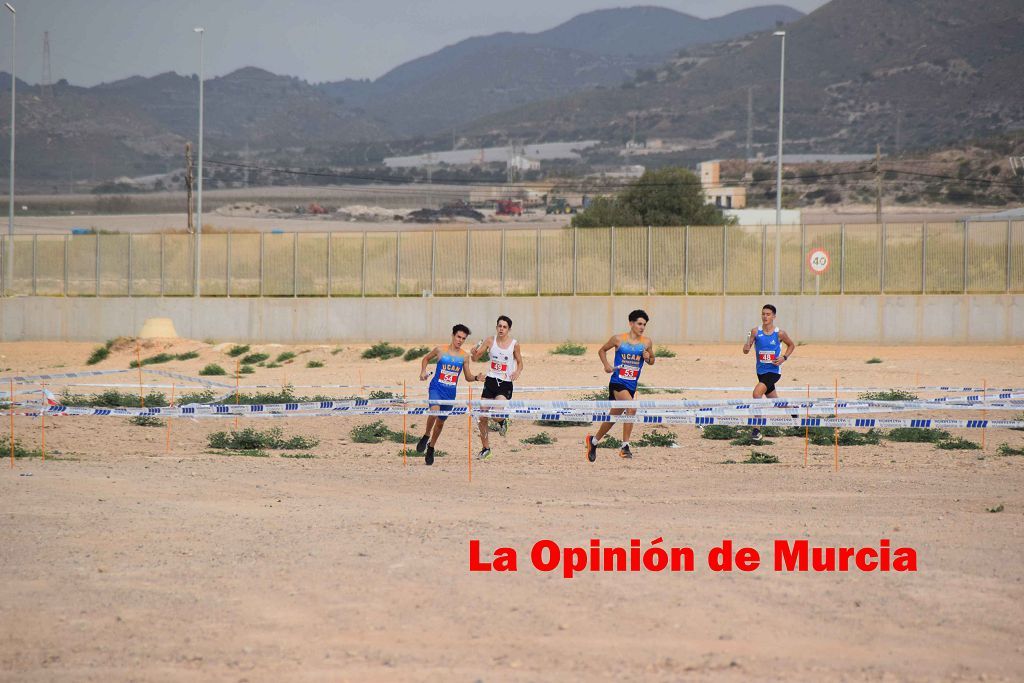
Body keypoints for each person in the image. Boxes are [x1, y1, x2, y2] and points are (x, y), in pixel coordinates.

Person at [583, 309, 655, 462]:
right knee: (632, 407)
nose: (642, 327)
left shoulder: (647, 342)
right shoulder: (618, 339)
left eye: (644, 324)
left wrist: (648, 358)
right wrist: (606, 365)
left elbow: (652, 360)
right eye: (639, 324)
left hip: (632, 385)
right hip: (617, 382)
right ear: (631, 323)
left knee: (614, 416)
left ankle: (593, 441)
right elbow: (602, 350)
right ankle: (625, 447)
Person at [416, 324, 485, 465]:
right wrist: (423, 371)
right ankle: (426, 435)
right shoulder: (440, 350)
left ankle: (431, 447)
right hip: (436, 388)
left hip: (450, 393)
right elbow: (426, 359)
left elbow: (467, 377)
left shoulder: (464, 356)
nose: (460, 340)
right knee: (434, 412)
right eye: (458, 337)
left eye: (463, 339)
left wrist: (477, 378)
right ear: (453, 335)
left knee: (440, 424)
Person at [471, 315, 524, 460]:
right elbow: (475, 358)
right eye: (499, 326)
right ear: (496, 327)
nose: (501, 329)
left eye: (504, 327)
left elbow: (520, 363)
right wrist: (473, 353)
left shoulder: (514, 344)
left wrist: (517, 372)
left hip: (505, 384)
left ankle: (502, 421)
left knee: (495, 415)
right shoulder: (490, 340)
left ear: (509, 329)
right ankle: (486, 448)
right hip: (490, 381)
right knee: (482, 416)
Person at [742, 304, 796, 442]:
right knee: (776, 402)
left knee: (756, 394)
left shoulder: (779, 333)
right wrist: (747, 346)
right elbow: (745, 350)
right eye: (763, 314)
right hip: (760, 371)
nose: (765, 316)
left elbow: (791, 345)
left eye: (768, 314)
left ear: (774, 316)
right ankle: (794, 409)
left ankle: (756, 430)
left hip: (773, 371)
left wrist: (784, 357)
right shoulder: (755, 332)